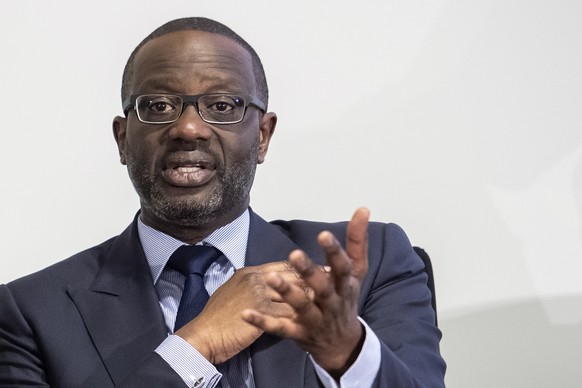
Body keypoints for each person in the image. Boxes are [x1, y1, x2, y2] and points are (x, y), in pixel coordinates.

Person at [0, 17, 445, 387]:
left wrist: (345, 351)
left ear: (263, 136)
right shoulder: (31, 313)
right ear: (122, 138)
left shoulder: (367, 267)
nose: (189, 128)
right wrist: (197, 345)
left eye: (223, 104)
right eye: (157, 106)